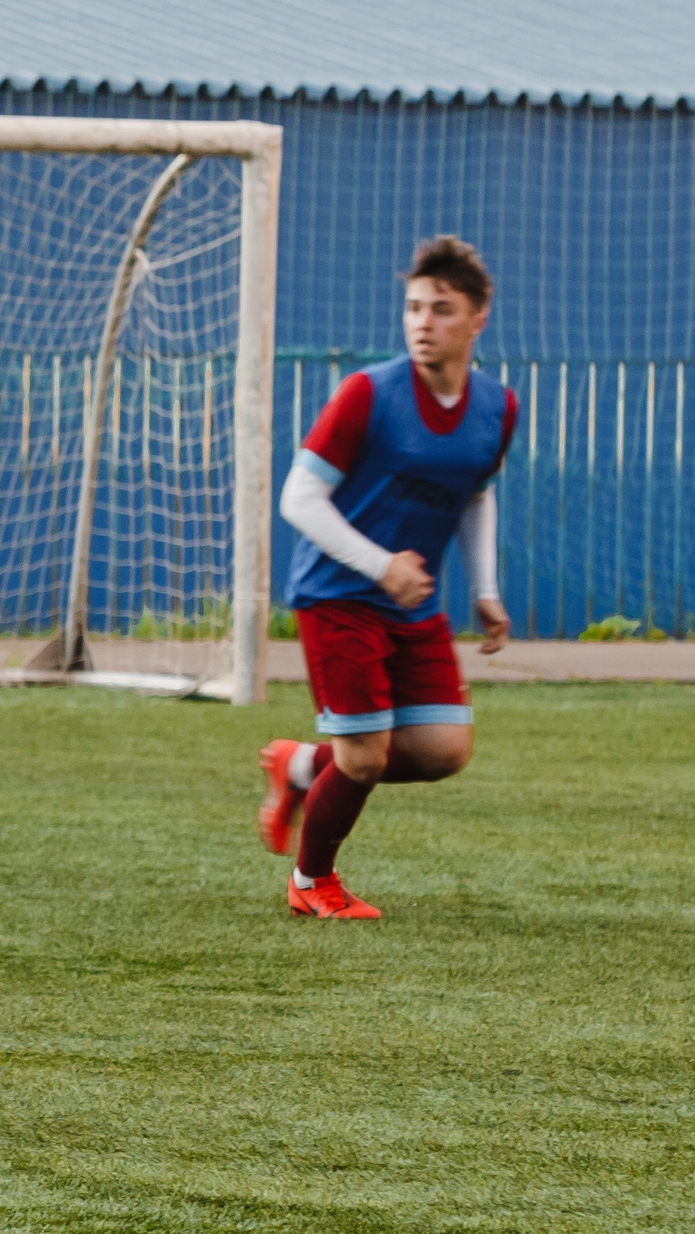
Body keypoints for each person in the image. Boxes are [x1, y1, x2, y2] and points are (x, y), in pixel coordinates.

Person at [256, 236, 515, 920]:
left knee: (442, 750)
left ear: (478, 317)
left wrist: (484, 589)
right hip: (338, 595)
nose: (423, 321)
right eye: (412, 307)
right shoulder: (367, 392)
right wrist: (380, 563)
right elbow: (298, 498)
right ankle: (313, 882)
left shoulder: (497, 407)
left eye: (441, 308)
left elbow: (476, 494)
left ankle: (305, 767)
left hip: (410, 602)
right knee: (365, 757)